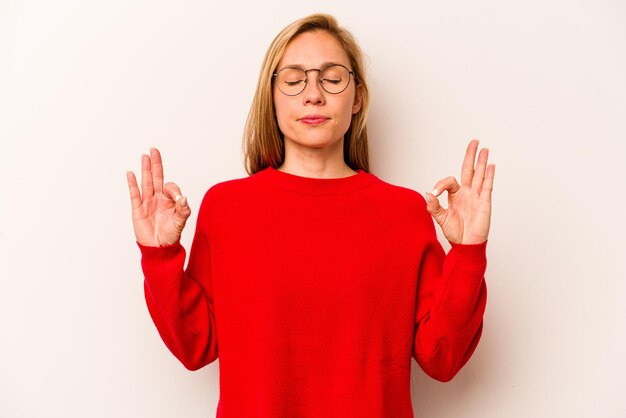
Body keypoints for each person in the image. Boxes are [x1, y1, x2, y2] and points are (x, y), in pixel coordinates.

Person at [126, 13, 495, 418]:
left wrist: (468, 252)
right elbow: (195, 348)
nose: (313, 94)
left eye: (332, 78)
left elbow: (442, 359)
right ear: (272, 96)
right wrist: (159, 256)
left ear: (356, 97)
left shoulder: (405, 213)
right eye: (294, 78)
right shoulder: (227, 208)